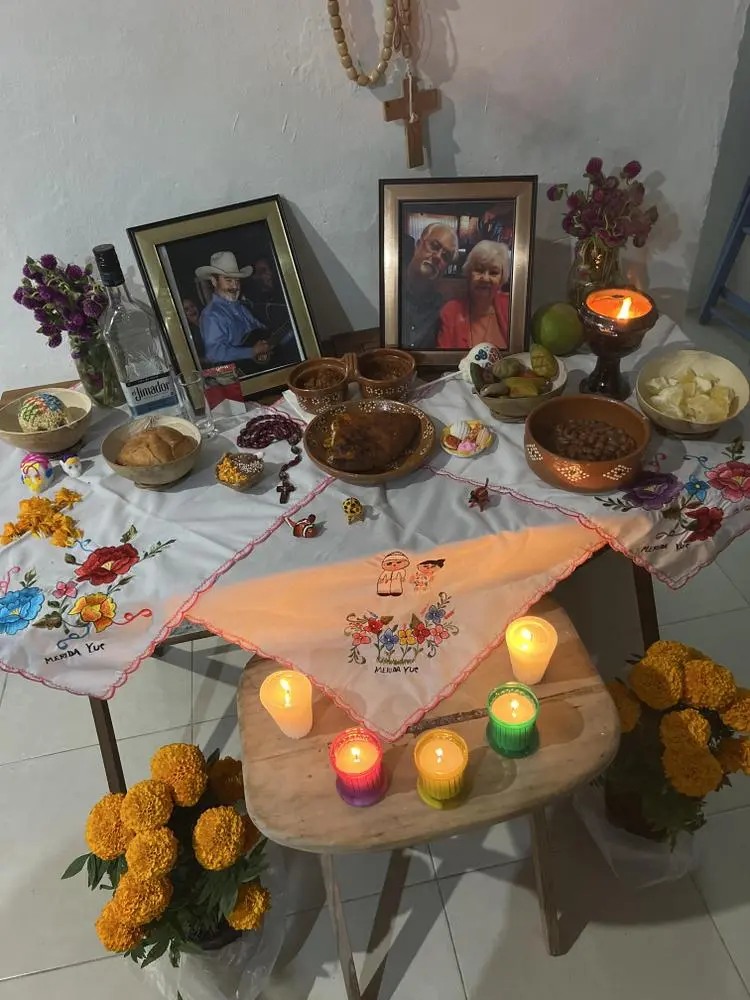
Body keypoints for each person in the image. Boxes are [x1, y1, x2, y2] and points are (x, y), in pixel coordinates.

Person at [195, 252, 269, 366]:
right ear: (214, 282)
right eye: (229, 280)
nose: (235, 286)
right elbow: (214, 354)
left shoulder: (241, 308)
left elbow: (261, 331)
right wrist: (251, 352)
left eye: (237, 280)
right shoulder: (211, 315)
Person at [436, 240, 510, 350]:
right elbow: (442, 360)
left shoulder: (511, 306)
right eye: (479, 270)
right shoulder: (451, 311)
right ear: (469, 273)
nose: (485, 278)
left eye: (493, 273)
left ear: (502, 278)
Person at [401, 223, 458, 350]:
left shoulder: (441, 310)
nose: (438, 256)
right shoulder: (390, 289)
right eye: (434, 246)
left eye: (445, 256)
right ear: (417, 245)